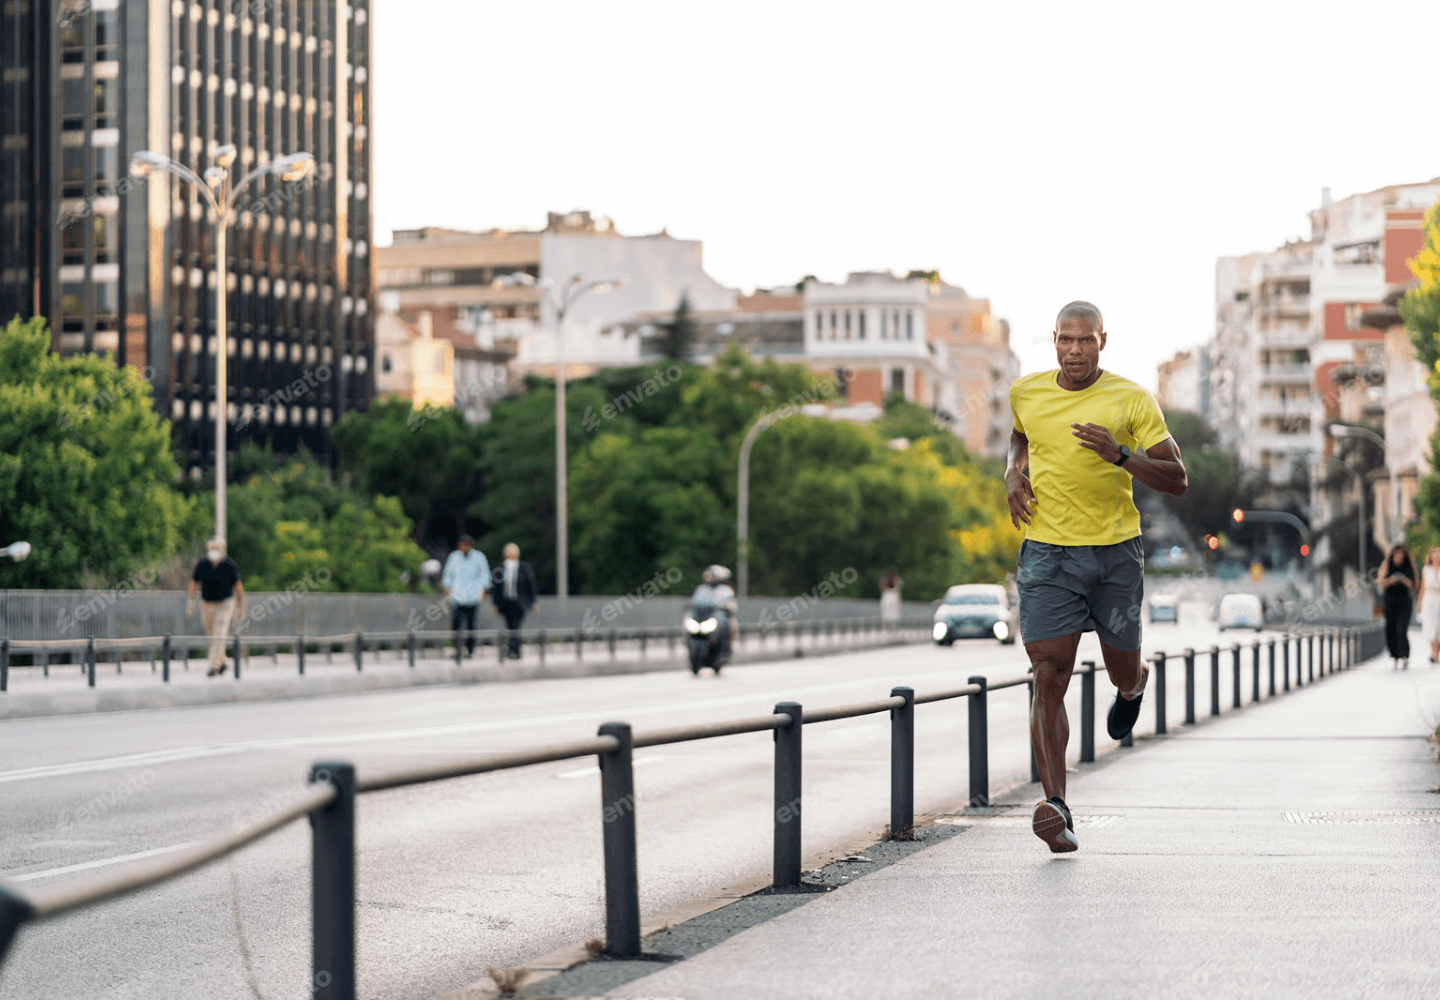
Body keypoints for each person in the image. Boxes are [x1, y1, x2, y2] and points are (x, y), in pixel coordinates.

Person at [1006, 301, 1188, 853]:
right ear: (1053, 340)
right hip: (1048, 554)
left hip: (1113, 555)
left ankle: (1133, 685)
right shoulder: (1026, 393)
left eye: (1086, 340)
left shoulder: (1130, 399)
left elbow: (1178, 478)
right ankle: (1055, 805)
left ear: (1103, 341)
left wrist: (1120, 455)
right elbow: (1021, 436)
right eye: (1066, 340)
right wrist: (1013, 473)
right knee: (1047, 673)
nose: (1076, 350)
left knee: (1119, 668)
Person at [188, 537, 245, 677]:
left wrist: (240, 607)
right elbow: (194, 583)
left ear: (222, 550)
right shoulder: (202, 564)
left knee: (219, 633)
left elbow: (238, 587)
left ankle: (214, 666)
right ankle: (223, 661)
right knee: (211, 635)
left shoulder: (229, 565)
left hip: (225, 603)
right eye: (210, 549)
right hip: (207, 603)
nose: (212, 552)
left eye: (215, 549)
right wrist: (190, 602)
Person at [442, 535, 490, 658]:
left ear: (470, 546)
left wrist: (483, 590)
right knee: (456, 625)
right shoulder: (454, 557)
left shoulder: (479, 557)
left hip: (472, 597)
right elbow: (448, 573)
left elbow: (485, 574)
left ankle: (469, 650)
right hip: (458, 597)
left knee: (471, 625)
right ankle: (457, 649)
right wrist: (447, 587)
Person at [492, 543, 537, 659]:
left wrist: (533, 601)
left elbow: (531, 584)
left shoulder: (524, 566)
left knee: (516, 625)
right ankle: (514, 649)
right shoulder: (500, 567)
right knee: (509, 626)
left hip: (520, 601)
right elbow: (495, 586)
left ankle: (514, 650)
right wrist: (495, 603)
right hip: (505, 601)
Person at [1376, 542, 1416, 669]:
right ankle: (1394, 655)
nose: (1399, 558)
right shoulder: (1386, 564)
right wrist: (1391, 580)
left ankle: (1404, 655)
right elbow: (1380, 581)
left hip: (1404, 601)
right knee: (1391, 628)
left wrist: (1403, 579)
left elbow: (1415, 584)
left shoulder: (1409, 566)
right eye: (1396, 555)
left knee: (1402, 628)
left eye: (1401, 555)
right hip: (1390, 600)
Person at [1418, 547, 1440, 664]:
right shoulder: (1426, 569)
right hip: (1429, 600)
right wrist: (1419, 604)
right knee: (1430, 625)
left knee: (1439, 627)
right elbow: (1422, 588)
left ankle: (1437, 653)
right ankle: (1434, 654)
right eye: (1435, 554)